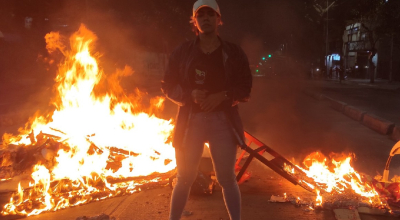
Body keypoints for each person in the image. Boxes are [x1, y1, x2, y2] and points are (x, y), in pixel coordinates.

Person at [161, 0, 252, 219]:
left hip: (223, 122)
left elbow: (245, 87)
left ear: (219, 19)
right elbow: (167, 85)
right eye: (201, 15)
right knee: (184, 178)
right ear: (194, 21)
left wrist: (224, 96)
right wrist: (188, 95)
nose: (206, 19)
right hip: (190, 122)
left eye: (211, 15)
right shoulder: (182, 52)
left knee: (227, 179)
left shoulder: (233, 52)